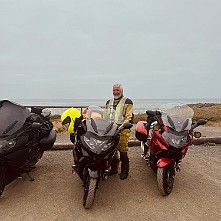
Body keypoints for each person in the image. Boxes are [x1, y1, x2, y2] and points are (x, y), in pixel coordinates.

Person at [105, 83, 134, 180]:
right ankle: (114, 169)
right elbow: (105, 115)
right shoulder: (109, 102)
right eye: (114, 90)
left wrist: (123, 126)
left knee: (123, 151)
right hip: (110, 129)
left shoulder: (127, 102)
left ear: (121, 91)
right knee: (111, 150)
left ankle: (125, 171)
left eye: (117, 90)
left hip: (123, 130)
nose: (115, 92)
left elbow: (128, 116)